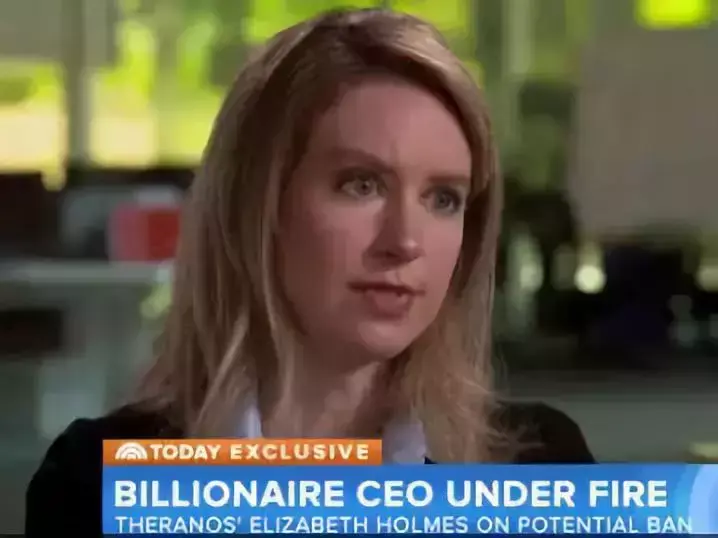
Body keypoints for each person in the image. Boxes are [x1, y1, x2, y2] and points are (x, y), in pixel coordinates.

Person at [25, 8, 593, 536]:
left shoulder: (539, 467)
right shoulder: (96, 483)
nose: (405, 242)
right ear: (259, 206)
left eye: (443, 198)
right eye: (361, 185)